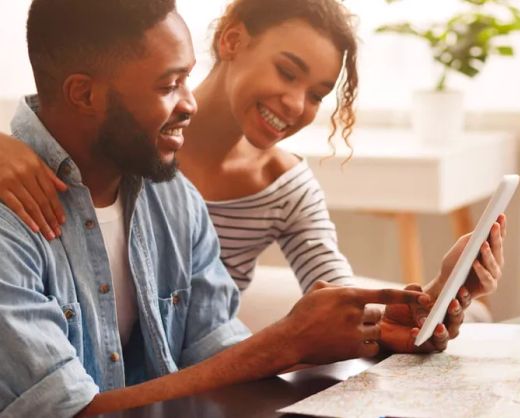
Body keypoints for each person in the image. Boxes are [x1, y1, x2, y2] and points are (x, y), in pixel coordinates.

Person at [0, 1, 471, 416]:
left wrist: (383, 324)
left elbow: (220, 354)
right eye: (168, 85)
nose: (189, 104)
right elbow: (70, 412)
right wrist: (285, 342)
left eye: (187, 77)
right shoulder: (11, 216)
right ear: (84, 94)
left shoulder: (173, 197)